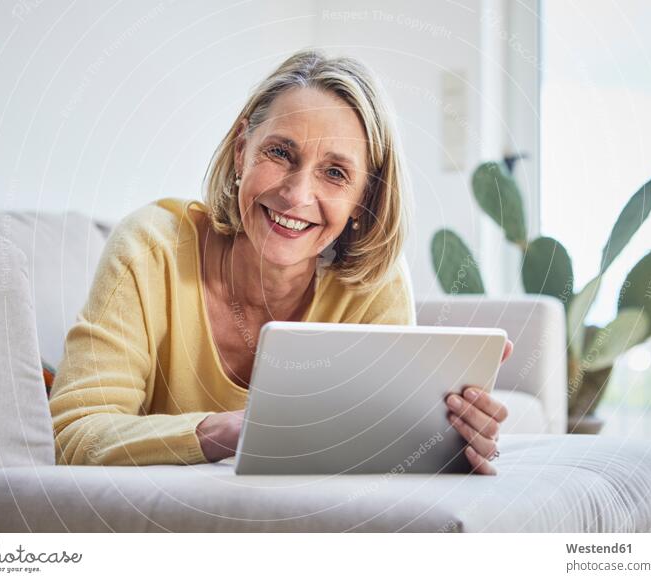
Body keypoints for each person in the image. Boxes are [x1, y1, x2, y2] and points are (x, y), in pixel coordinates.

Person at [49, 49, 512, 475]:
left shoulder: (374, 285)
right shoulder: (151, 249)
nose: (296, 195)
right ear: (240, 152)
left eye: (335, 173)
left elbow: (375, 455)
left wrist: (445, 444)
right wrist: (227, 430)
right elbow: (73, 435)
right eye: (280, 153)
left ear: (363, 197)